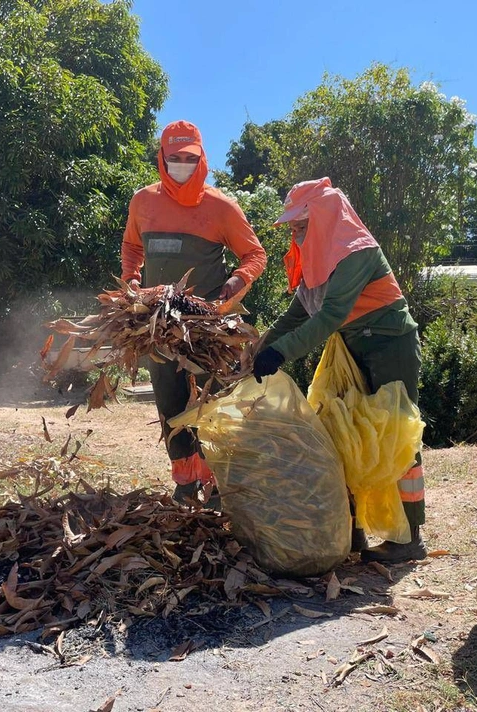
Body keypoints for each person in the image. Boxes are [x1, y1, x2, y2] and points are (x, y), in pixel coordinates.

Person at [252, 177, 427, 563]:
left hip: (388, 344)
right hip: (351, 348)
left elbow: (330, 315)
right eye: (293, 228)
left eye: (301, 225)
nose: (295, 234)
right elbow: (296, 314)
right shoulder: (316, 257)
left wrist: (280, 354)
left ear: (326, 218)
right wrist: (257, 350)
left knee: (396, 434)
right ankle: (352, 531)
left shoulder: (355, 252)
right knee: (343, 432)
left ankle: (410, 537)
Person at [122, 120, 267, 506]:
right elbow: (132, 247)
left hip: (207, 327)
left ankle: (218, 483)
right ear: (163, 159)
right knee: (170, 403)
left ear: (201, 158)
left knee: (212, 404)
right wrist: (131, 280)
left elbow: (255, 254)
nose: (182, 164)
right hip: (160, 326)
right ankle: (185, 483)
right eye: (175, 158)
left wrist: (236, 284)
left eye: (190, 158)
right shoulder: (143, 201)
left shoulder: (221, 207)